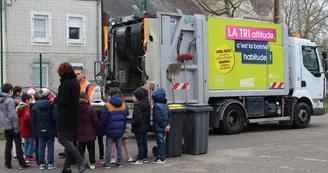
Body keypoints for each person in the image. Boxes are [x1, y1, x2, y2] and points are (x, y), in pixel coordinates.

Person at [52, 62, 90, 173]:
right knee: (70, 142)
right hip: (74, 115)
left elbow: (63, 101)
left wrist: (55, 100)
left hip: (65, 116)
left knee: (62, 139)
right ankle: (67, 168)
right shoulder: (75, 82)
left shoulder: (66, 83)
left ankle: (81, 160)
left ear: (62, 72)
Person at [0, 83, 31, 169]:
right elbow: (13, 115)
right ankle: (22, 164)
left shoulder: (1, 100)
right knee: (18, 144)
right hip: (13, 125)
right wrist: (16, 127)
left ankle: (7, 164)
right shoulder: (9, 100)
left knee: (8, 145)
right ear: (10, 91)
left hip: (5, 125)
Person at [101, 87, 128, 169]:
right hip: (120, 130)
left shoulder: (107, 105)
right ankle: (119, 162)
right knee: (119, 146)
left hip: (109, 130)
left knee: (109, 147)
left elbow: (103, 119)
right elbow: (125, 117)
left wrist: (102, 130)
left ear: (110, 95)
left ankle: (107, 163)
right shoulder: (123, 105)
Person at [31, 89, 57, 170]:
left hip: (39, 128)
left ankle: (41, 163)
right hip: (50, 128)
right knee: (50, 145)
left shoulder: (34, 107)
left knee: (41, 146)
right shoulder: (51, 105)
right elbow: (55, 118)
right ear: (47, 95)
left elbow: (33, 120)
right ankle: (50, 163)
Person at [77, 92, 98, 170]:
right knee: (91, 148)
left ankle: (81, 163)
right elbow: (95, 120)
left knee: (80, 149)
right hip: (90, 130)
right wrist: (95, 129)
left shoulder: (75, 108)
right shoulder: (90, 108)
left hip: (79, 131)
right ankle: (92, 163)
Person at [130, 89, 151, 165]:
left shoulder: (138, 106)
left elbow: (137, 118)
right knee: (144, 141)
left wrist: (134, 123)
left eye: (133, 96)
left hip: (138, 127)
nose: (132, 98)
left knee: (140, 143)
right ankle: (144, 157)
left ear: (137, 97)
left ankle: (140, 158)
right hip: (145, 126)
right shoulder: (146, 103)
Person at [152, 88, 171, 164]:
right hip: (165, 127)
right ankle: (161, 156)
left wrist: (163, 126)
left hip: (159, 127)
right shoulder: (166, 105)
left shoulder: (156, 106)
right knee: (163, 141)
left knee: (160, 142)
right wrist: (167, 125)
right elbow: (169, 116)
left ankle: (162, 157)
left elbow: (158, 118)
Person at [16, 94, 36, 162]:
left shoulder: (21, 108)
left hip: (23, 128)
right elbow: (27, 118)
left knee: (27, 142)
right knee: (31, 143)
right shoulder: (26, 108)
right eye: (30, 99)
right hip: (28, 129)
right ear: (27, 100)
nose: (32, 101)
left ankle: (26, 154)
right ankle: (29, 155)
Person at [90, 86, 105, 164]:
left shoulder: (90, 106)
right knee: (100, 142)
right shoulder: (104, 105)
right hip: (100, 126)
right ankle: (101, 157)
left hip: (92, 126)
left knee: (92, 143)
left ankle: (92, 159)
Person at [11, 85, 23, 160]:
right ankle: (19, 154)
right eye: (21, 91)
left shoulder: (11, 99)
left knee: (11, 139)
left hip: (10, 120)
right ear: (18, 92)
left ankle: (14, 153)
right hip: (17, 120)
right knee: (18, 138)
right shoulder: (19, 100)